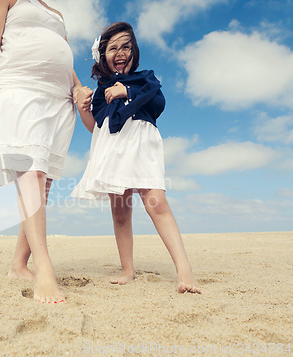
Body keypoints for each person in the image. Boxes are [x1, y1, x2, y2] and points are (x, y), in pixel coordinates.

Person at [72, 22, 201, 294]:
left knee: (157, 204)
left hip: (141, 144)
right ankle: (127, 269)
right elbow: (95, 126)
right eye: (113, 48)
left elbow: (157, 103)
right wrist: (83, 107)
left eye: (126, 46)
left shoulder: (146, 79)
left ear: (135, 51)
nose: (120, 53)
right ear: (103, 55)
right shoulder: (101, 90)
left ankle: (184, 270)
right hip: (112, 149)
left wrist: (126, 92)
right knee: (120, 211)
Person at [0, 0, 82, 303]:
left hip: (59, 100)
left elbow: (65, 60)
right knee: (31, 175)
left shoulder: (58, 14)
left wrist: (76, 88)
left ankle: (17, 265)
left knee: (42, 187)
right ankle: (44, 270)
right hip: (21, 87)